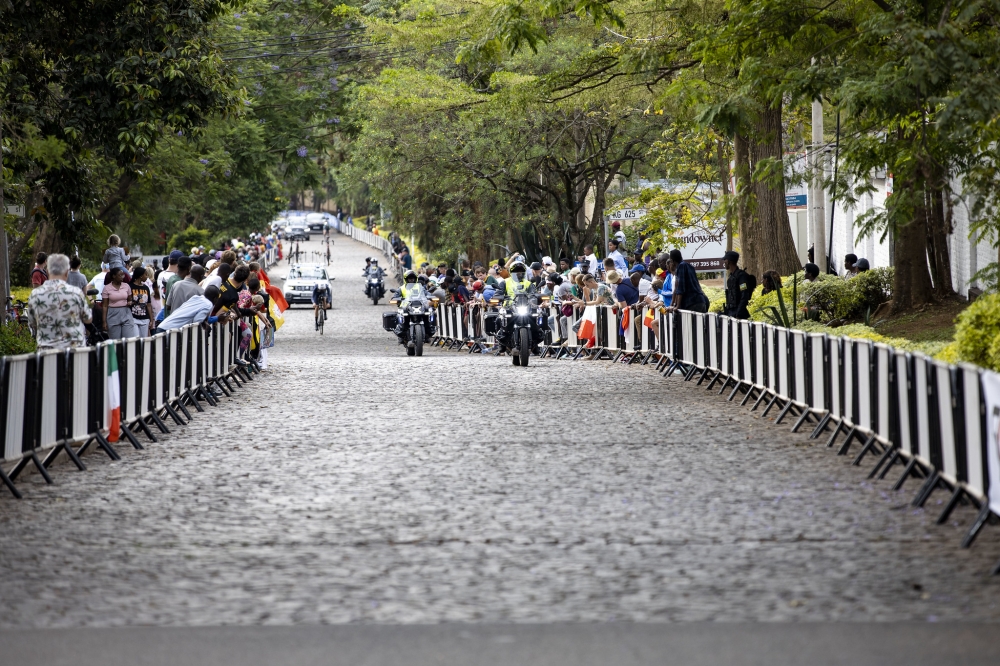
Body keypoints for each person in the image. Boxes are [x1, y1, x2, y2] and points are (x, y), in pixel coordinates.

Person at [26, 253, 92, 349]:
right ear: (66, 272)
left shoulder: (35, 295)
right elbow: (88, 319)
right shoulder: (76, 293)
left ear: (48, 271)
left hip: (47, 351)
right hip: (75, 350)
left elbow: (32, 323)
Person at [157, 286, 221, 332]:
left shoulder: (196, 298)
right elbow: (197, 321)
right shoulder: (208, 304)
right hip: (170, 330)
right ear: (215, 299)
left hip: (163, 326)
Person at [665, 249, 709, 313]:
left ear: (672, 261)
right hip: (701, 301)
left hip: (692, 303)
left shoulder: (681, 266)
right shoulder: (689, 266)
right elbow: (676, 288)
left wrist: (677, 306)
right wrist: (672, 305)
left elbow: (680, 288)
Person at [102, 267, 137, 339]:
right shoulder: (107, 288)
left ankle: (128, 350)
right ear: (114, 276)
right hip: (113, 314)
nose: (122, 277)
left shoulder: (126, 286)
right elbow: (105, 306)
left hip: (126, 312)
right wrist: (104, 321)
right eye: (120, 275)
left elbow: (129, 299)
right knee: (116, 341)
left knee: (129, 340)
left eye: (123, 275)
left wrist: (131, 302)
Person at [723, 251, 754, 319]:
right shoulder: (731, 276)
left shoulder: (741, 276)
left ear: (728, 261)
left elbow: (744, 295)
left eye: (725, 260)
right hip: (731, 312)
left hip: (738, 313)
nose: (724, 262)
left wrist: (739, 313)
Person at [129, 266, 154, 336]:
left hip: (144, 318)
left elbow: (148, 305)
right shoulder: (130, 287)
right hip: (133, 318)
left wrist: (151, 320)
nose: (147, 277)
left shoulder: (146, 288)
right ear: (140, 276)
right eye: (145, 275)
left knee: (144, 340)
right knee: (136, 338)